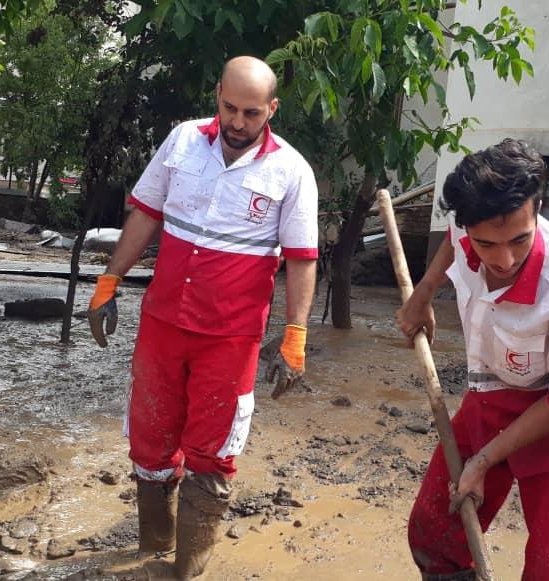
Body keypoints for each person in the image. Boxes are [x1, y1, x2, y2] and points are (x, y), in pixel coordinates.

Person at [86, 56, 318, 579]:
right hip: (163, 325)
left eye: (251, 113)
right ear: (217, 95)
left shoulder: (291, 171)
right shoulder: (183, 141)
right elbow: (146, 213)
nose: (238, 122)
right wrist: (109, 282)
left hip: (230, 339)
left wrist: (295, 335)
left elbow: (302, 260)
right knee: (149, 435)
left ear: (271, 110)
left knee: (212, 451)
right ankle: (153, 547)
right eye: (230, 107)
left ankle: (188, 567)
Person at [396, 139, 549, 580]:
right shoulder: (466, 226)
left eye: (520, 240)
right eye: (486, 244)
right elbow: (452, 237)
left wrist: (482, 462)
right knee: (436, 533)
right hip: (494, 395)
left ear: (538, 209)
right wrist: (423, 294)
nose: (504, 260)